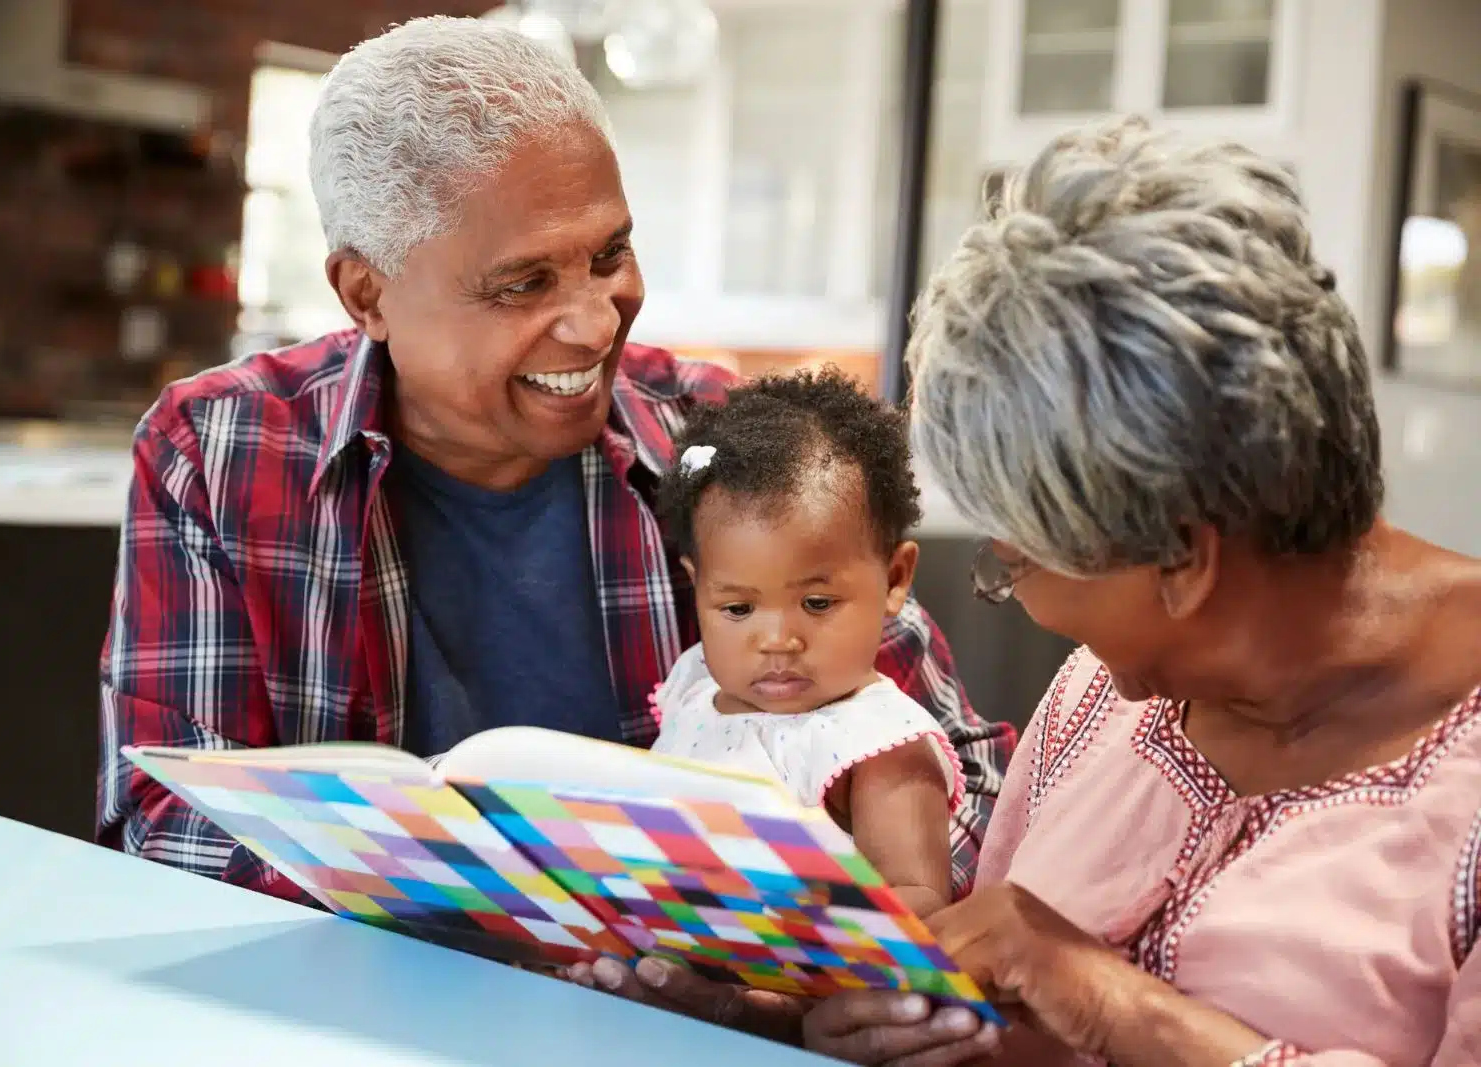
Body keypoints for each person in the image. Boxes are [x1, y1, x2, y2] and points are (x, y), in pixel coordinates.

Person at [94, 11, 1012, 1015]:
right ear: (368, 293)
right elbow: (166, 828)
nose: (594, 318)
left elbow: (968, 775)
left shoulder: (730, 448)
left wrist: (845, 939)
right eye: (524, 282)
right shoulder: (219, 454)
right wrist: (490, 932)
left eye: (609, 254)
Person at [797, 115, 1481, 1065]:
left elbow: (1067, 980)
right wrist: (921, 1030)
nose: (1021, 597)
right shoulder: (1095, 703)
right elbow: (1001, 1002)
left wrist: (1118, 1004)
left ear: (1181, 558)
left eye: (1018, 565)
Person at [645, 369, 965, 916]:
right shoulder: (695, 684)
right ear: (696, 585)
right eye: (738, 609)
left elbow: (919, 903)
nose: (777, 640)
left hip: (799, 984)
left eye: (817, 604)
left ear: (894, 580)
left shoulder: (878, 742)